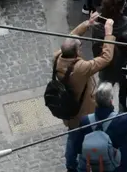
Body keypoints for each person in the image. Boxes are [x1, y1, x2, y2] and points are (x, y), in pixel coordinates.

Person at [51, 24, 116, 167]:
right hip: (83, 112)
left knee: (72, 137)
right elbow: (106, 58)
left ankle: (70, 164)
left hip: (68, 112)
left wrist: (86, 24)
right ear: (77, 52)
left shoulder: (57, 58)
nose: (82, 48)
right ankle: (87, 163)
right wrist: (109, 34)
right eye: (80, 47)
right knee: (85, 138)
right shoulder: (81, 68)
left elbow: (69, 40)